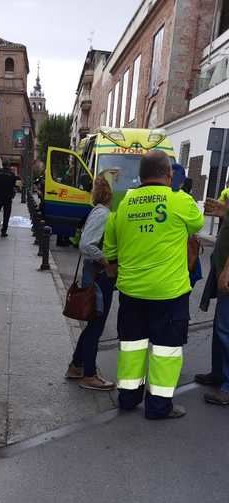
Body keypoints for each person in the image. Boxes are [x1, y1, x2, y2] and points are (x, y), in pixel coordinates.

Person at [104, 150, 204, 419]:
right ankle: (158, 407)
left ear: (140, 175)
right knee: (165, 351)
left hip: (131, 292)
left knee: (132, 346)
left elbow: (110, 246)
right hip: (168, 294)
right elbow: (198, 221)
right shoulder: (178, 200)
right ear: (169, 175)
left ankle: (128, 398)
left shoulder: (123, 203)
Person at [65, 177, 116, 391]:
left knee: (93, 323)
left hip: (95, 273)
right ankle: (89, 374)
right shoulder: (103, 214)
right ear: (110, 196)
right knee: (96, 324)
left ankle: (77, 366)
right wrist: (105, 261)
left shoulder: (97, 212)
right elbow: (87, 244)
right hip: (98, 275)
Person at [196, 197, 229, 405]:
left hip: (227, 273)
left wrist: (227, 270)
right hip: (221, 270)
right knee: (220, 327)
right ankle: (218, 373)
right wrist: (225, 213)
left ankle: (227, 386)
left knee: (226, 330)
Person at [0, 160, 18, 237]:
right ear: (8, 165)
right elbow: (14, 186)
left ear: (3, 164)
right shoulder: (12, 174)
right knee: (6, 215)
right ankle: (3, 232)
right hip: (8, 197)